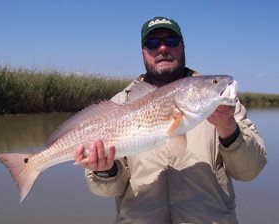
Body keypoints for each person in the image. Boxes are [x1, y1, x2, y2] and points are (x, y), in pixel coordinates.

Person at [74, 16, 267, 224]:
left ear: (183, 46)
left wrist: (229, 129)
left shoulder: (220, 103)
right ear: (143, 51)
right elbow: (108, 189)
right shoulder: (120, 105)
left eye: (171, 41)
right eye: (153, 43)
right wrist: (105, 171)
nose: (163, 48)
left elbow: (250, 170)